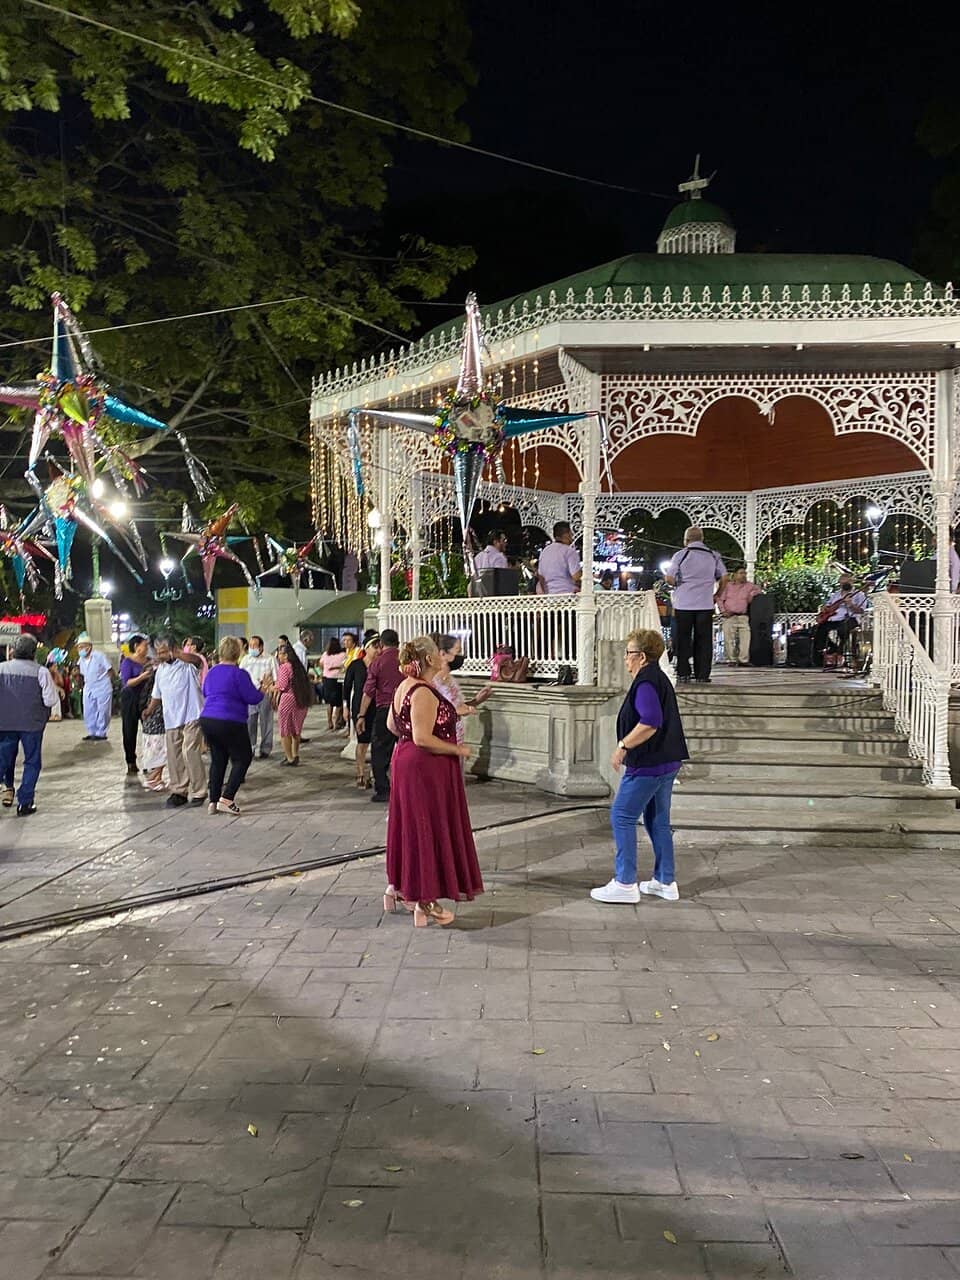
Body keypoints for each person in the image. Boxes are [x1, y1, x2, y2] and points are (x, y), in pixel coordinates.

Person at [383, 636, 483, 926]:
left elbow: (392, 725)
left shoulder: (405, 686)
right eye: (437, 654)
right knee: (426, 828)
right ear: (429, 659)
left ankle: (398, 887)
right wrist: (457, 749)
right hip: (424, 767)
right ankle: (426, 900)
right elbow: (423, 738)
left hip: (405, 760)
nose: (442, 657)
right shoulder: (423, 691)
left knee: (409, 826)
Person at [591, 628, 688, 905]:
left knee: (621, 816)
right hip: (667, 762)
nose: (625, 658)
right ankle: (665, 881)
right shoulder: (659, 678)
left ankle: (624, 882)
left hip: (649, 764)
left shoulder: (646, 681)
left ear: (642, 656)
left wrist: (623, 747)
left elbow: (650, 721)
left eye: (629, 653)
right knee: (657, 820)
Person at [200, 636, 264, 815]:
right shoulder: (239, 673)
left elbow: (206, 691)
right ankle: (227, 798)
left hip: (208, 719)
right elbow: (253, 698)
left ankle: (213, 801)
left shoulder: (212, 672)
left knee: (218, 760)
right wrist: (264, 688)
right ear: (238, 652)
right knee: (243, 758)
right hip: (231, 719)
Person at [142, 636, 205, 808]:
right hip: (171, 718)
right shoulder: (161, 670)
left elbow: (197, 660)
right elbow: (157, 695)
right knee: (174, 756)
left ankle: (199, 791)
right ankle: (179, 791)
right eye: (158, 652)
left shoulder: (187, 665)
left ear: (172, 649)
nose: (160, 655)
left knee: (190, 752)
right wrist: (149, 709)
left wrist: (178, 653)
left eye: (163, 651)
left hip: (192, 714)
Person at [0, 633, 59, 816]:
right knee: (32, 762)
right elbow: (50, 700)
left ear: (13, 651)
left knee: (3, 760)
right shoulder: (41, 672)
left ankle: (7, 789)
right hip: (32, 724)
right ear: (34, 652)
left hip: (4, 723)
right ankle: (25, 803)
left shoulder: (1, 669)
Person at [664, 526, 726, 683]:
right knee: (704, 640)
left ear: (686, 540)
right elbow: (724, 578)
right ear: (702, 539)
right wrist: (717, 594)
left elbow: (669, 578)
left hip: (684, 604)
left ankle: (683, 672)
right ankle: (702, 674)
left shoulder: (681, 555)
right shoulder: (713, 556)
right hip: (705, 604)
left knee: (683, 638)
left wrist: (678, 583)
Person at [357, 628, 402, 802]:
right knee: (407, 748)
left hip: (385, 710)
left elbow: (368, 692)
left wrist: (361, 715)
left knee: (380, 750)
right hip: (407, 708)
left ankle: (383, 789)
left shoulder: (377, 663)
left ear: (382, 644)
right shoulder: (406, 659)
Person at [430, 632, 491, 747]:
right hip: (441, 739)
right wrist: (461, 710)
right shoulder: (432, 679)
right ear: (443, 653)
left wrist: (476, 701)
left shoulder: (448, 677)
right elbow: (437, 710)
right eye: (457, 651)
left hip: (455, 736)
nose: (460, 655)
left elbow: (457, 706)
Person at [344, 630, 380, 788]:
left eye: (380, 647)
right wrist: (345, 707)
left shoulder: (380, 665)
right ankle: (360, 772)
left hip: (377, 705)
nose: (378, 650)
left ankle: (374, 773)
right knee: (362, 741)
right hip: (359, 706)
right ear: (367, 648)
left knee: (377, 741)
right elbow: (346, 687)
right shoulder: (356, 665)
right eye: (375, 647)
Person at [119, 634, 153, 775]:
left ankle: (150, 761)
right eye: (144, 645)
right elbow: (127, 682)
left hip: (146, 698)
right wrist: (142, 677)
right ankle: (131, 761)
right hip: (131, 698)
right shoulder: (128, 662)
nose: (147, 648)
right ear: (136, 647)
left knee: (150, 730)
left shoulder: (150, 662)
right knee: (129, 731)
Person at [813, 577, 867, 666]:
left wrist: (850, 604)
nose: (844, 585)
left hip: (850, 619)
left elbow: (861, 611)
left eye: (846, 582)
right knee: (818, 629)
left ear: (851, 582)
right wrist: (824, 608)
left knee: (842, 629)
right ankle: (828, 651)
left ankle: (840, 652)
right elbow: (828, 605)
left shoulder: (859, 595)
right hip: (834, 619)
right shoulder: (835, 595)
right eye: (842, 583)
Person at [275, 638, 313, 765]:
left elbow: (282, 686)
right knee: (296, 730)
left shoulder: (284, 667)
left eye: (279, 654)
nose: (278, 656)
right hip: (300, 699)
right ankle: (295, 754)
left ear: (285, 655)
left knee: (285, 729)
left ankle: (289, 757)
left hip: (287, 700)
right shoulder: (299, 667)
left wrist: (270, 686)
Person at [240, 634, 277, 758]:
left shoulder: (270, 659)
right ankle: (250, 747)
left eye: (254, 646)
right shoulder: (245, 659)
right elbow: (241, 677)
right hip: (249, 693)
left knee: (266, 721)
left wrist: (274, 694)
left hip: (266, 693)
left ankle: (265, 748)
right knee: (250, 720)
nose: (252, 648)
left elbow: (275, 678)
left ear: (261, 647)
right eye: (250, 646)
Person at [715, 567, 760, 667]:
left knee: (745, 638)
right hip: (729, 616)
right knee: (728, 639)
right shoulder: (728, 586)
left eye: (745, 573)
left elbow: (759, 590)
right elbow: (719, 598)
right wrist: (723, 611)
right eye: (741, 573)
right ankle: (732, 659)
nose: (743, 575)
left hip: (743, 616)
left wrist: (752, 594)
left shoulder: (749, 586)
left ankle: (743, 660)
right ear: (734, 575)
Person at [76, 633, 115, 740]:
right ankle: (92, 731)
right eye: (79, 647)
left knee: (103, 711)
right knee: (89, 710)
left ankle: (101, 733)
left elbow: (110, 670)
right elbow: (81, 673)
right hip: (89, 687)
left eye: (82, 647)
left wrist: (111, 684)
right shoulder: (81, 659)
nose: (80, 650)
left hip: (102, 686)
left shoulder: (99, 656)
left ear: (89, 647)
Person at [138, 668, 167, 792]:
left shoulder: (147, 693)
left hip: (149, 729)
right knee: (164, 755)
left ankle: (158, 779)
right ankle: (152, 778)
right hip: (158, 729)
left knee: (157, 755)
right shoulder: (158, 695)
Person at [537, 522, 582, 594]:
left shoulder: (545, 551)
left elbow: (541, 576)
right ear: (566, 535)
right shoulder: (569, 551)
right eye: (571, 533)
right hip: (568, 595)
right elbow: (576, 576)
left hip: (550, 596)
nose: (572, 535)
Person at [320, 637, 346, 730]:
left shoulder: (325, 654)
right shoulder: (343, 654)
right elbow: (345, 665)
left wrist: (327, 669)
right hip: (338, 679)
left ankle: (329, 722)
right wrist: (337, 667)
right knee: (338, 702)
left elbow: (321, 664)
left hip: (327, 679)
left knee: (329, 703)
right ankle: (337, 722)